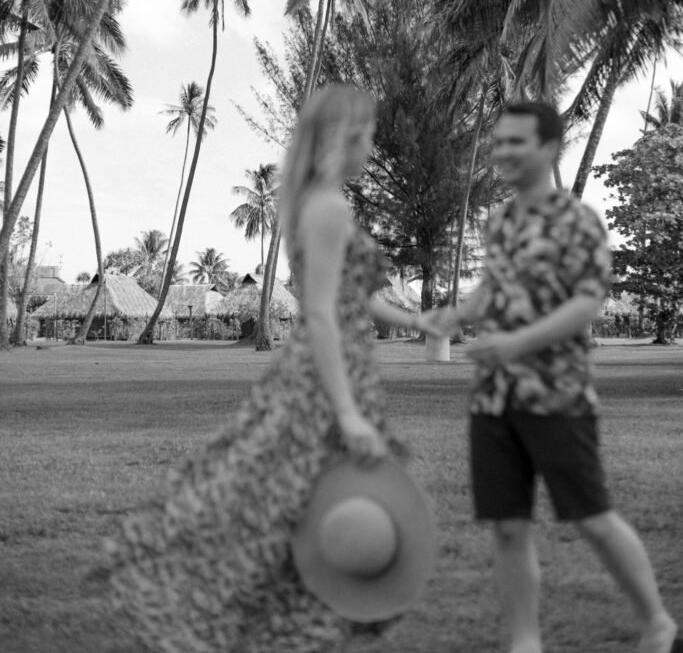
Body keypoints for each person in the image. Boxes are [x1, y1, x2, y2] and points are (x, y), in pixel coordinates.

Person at [105, 84, 443, 653]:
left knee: (305, 513)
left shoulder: (315, 201)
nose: (371, 145)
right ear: (344, 137)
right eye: (365, 134)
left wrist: (420, 321)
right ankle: (272, 626)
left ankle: (287, 626)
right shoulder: (329, 207)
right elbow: (319, 313)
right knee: (317, 516)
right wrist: (347, 413)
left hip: (323, 375)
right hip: (326, 380)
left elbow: (347, 294)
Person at [428, 101, 679, 653]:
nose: (503, 153)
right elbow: (492, 287)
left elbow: (589, 301)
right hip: (494, 400)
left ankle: (657, 621)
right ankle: (525, 642)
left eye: (516, 142)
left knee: (591, 516)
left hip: (558, 395)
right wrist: (459, 314)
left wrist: (517, 343)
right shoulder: (500, 221)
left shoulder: (578, 220)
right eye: (498, 143)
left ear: (548, 147)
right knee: (509, 525)